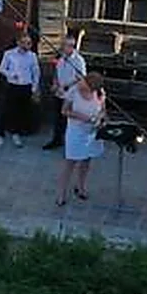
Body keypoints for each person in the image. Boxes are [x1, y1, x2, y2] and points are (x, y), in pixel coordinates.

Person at [56, 73, 106, 207]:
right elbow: (64, 111)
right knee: (70, 163)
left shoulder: (100, 93)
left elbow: (103, 111)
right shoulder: (74, 91)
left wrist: (99, 119)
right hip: (76, 130)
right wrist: (80, 116)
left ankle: (80, 186)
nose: (83, 86)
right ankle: (61, 193)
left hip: (91, 131)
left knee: (86, 159)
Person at [0, 32, 40, 149]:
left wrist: (34, 88)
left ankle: (16, 133)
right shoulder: (9, 54)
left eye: (29, 43)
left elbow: (36, 73)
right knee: (5, 110)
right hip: (12, 86)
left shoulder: (32, 56)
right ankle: (0, 135)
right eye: (25, 43)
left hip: (26, 87)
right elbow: (1, 68)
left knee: (20, 112)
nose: (27, 46)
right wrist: (11, 74)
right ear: (18, 43)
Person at [45, 35, 85, 150]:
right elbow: (57, 72)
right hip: (59, 93)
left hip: (70, 95)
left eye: (64, 45)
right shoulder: (62, 58)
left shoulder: (78, 60)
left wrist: (66, 86)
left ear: (71, 47)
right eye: (62, 45)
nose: (62, 47)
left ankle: (71, 145)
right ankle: (57, 140)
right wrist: (55, 84)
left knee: (69, 122)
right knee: (58, 119)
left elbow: (81, 78)